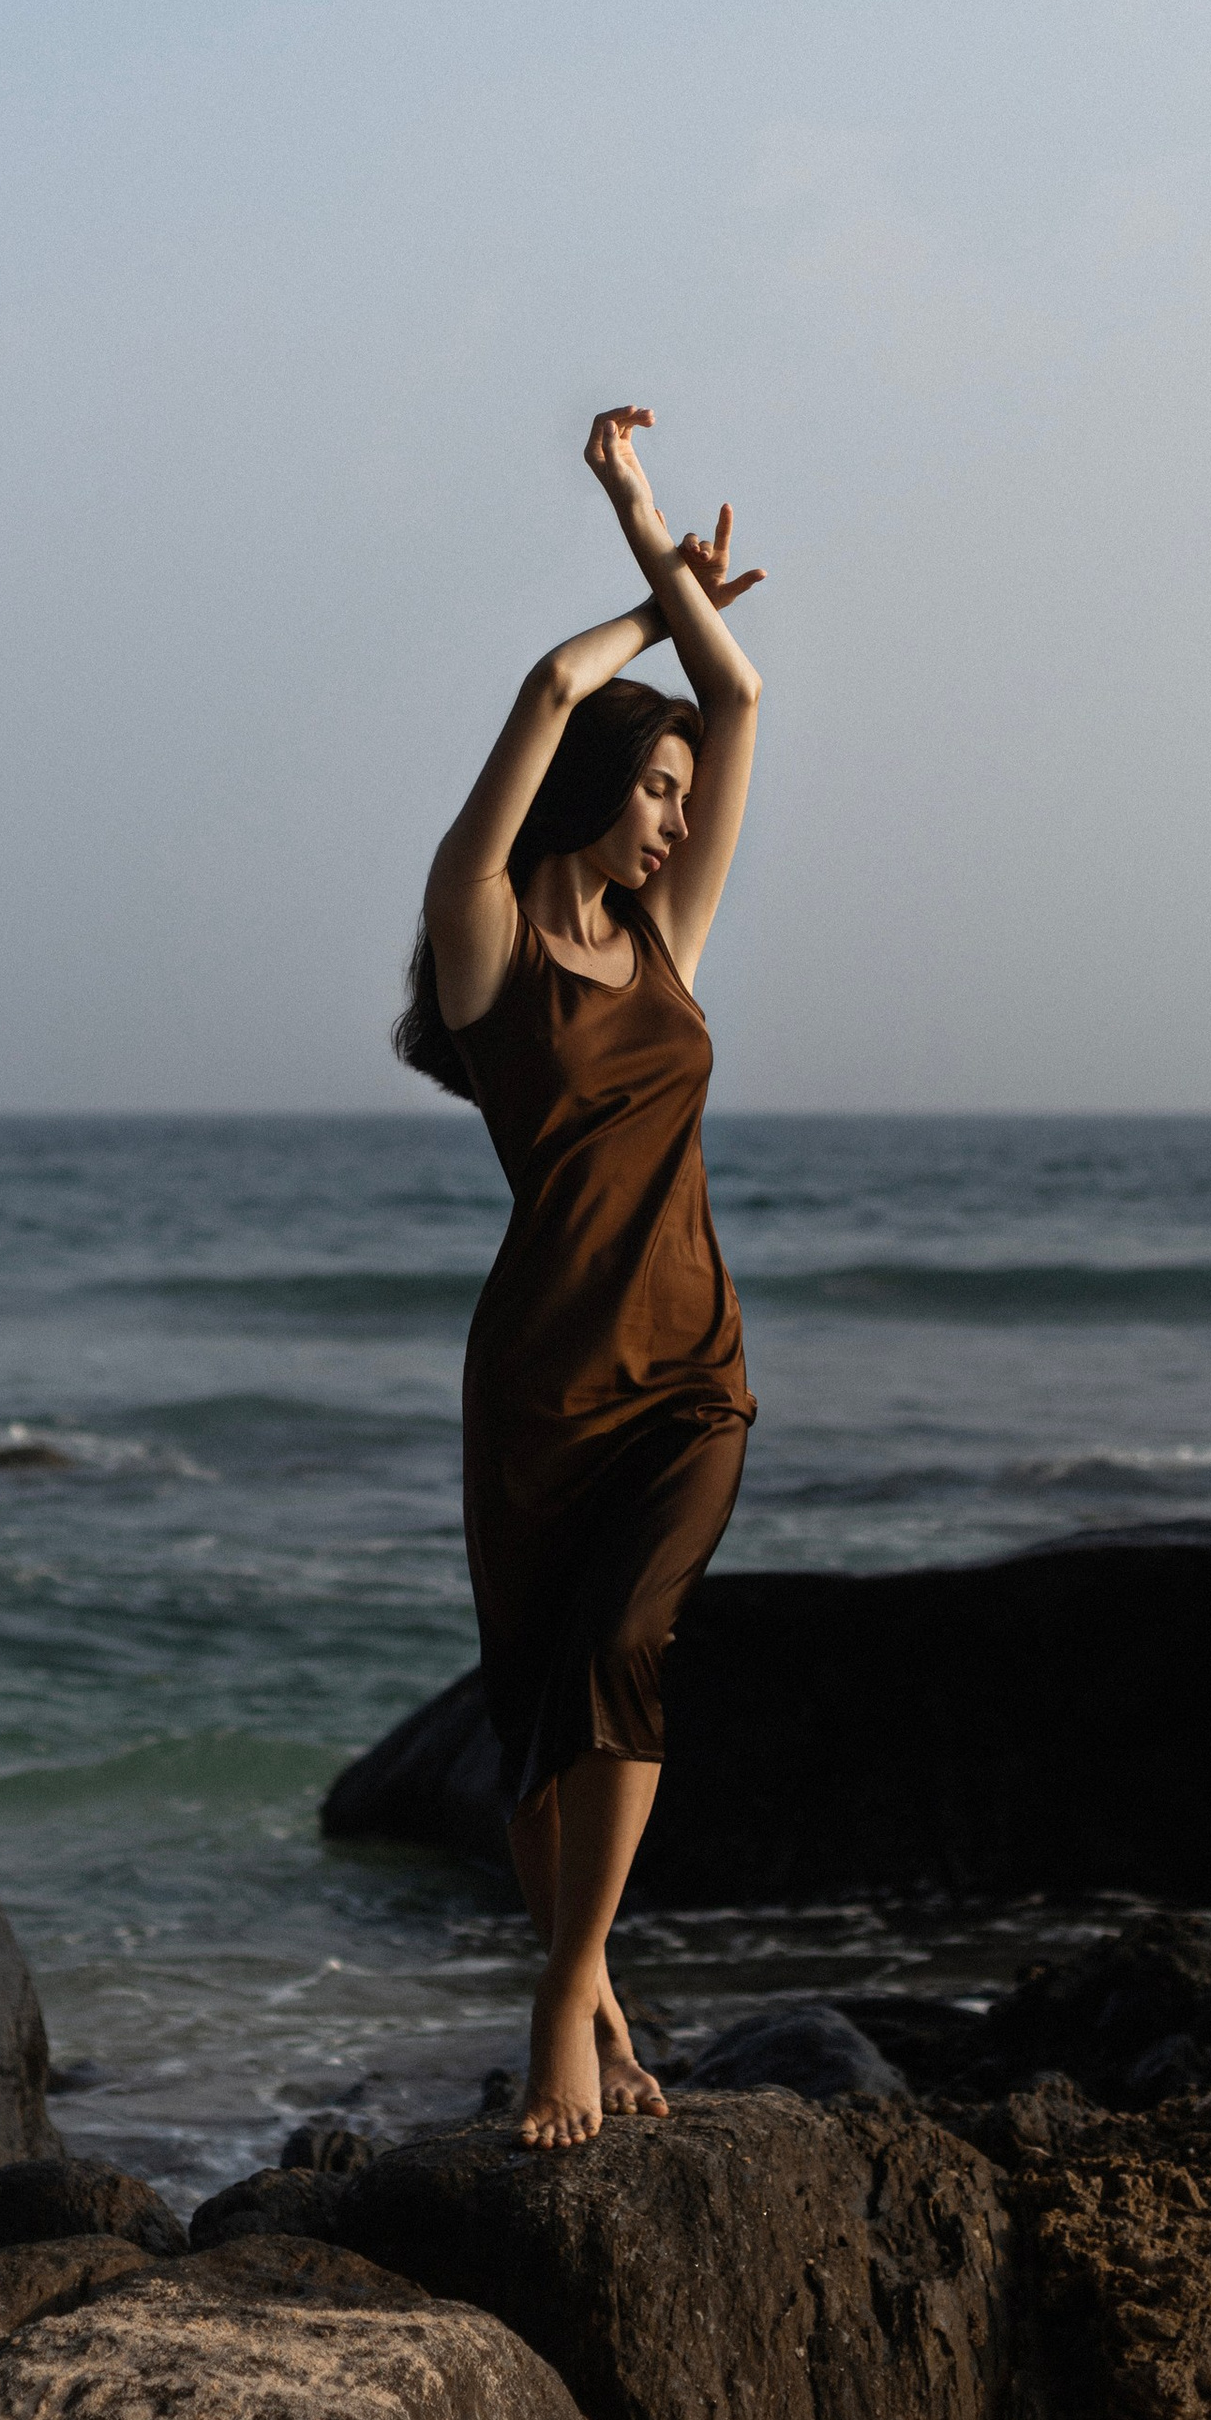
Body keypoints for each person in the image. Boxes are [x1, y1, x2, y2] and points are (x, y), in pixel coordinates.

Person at [394, 404, 764, 2149]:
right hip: (539, 1389)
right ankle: (606, 2011)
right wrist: (641, 547)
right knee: (541, 1729)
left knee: (624, 1651)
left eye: (691, 802)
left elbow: (746, 701)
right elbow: (548, 693)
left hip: (692, 1371)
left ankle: (559, 1996)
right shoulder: (486, 943)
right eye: (662, 789)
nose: (684, 823)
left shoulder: (669, 947)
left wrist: (684, 596)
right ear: (604, 788)